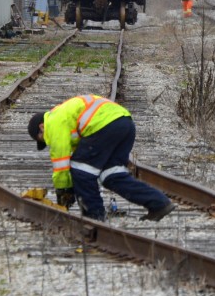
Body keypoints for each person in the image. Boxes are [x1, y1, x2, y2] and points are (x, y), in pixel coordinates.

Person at [28, 95, 176, 222]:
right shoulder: (66, 115)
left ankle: (94, 216)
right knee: (111, 175)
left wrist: (63, 191)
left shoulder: (53, 121)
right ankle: (159, 203)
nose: (47, 142)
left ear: (41, 127)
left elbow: (61, 163)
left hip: (105, 125)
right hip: (125, 123)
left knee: (81, 169)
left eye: (43, 140)